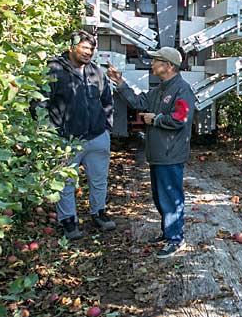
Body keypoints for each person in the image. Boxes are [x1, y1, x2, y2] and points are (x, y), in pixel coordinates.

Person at [106, 47, 195, 258]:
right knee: (159, 196)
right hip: (157, 154)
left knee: (171, 197)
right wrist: (120, 82)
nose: (152, 64)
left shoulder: (182, 90)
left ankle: (176, 239)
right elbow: (138, 102)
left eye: (156, 60)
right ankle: (168, 232)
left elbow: (180, 119)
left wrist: (155, 119)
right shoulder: (160, 89)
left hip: (170, 154)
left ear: (169, 66)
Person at [43, 29, 115, 240]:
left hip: (97, 137)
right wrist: (50, 131)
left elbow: (107, 100)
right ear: (72, 47)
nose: (88, 52)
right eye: (84, 48)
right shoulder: (54, 69)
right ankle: (68, 221)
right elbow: (40, 102)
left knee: (99, 180)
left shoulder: (96, 72)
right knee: (65, 182)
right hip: (67, 140)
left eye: (91, 49)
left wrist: (106, 126)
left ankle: (99, 213)